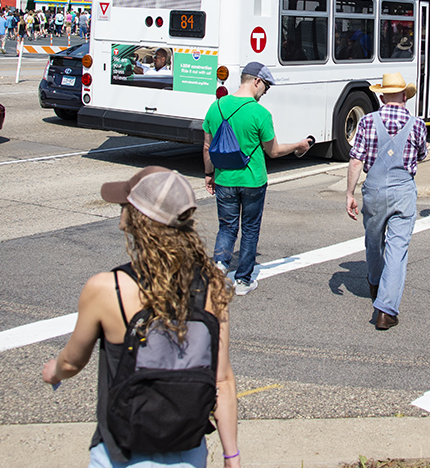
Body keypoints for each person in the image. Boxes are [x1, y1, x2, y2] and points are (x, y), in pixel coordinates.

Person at [41, 167, 239, 468]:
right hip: (189, 451)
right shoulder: (211, 285)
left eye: (125, 207)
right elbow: (221, 380)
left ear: (137, 220)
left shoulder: (108, 288)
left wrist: (53, 372)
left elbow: (71, 362)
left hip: (122, 453)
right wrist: (231, 456)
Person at [202, 62, 311, 295]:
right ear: (256, 81)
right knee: (250, 229)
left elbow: (206, 146)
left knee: (227, 227)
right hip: (253, 181)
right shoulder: (260, 114)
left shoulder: (216, 107)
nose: (265, 93)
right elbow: (273, 151)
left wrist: (208, 174)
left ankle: (220, 266)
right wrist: (298, 146)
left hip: (224, 179)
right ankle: (243, 280)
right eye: (266, 87)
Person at [346, 72, 428, 330]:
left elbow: (356, 160)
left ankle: (374, 281)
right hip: (403, 190)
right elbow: (422, 154)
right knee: (397, 247)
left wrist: (349, 193)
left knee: (373, 239)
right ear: (405, 96)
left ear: (381, 96)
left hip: (374, 189)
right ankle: (386, 309)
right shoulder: (418, 125)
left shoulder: (368, 122)